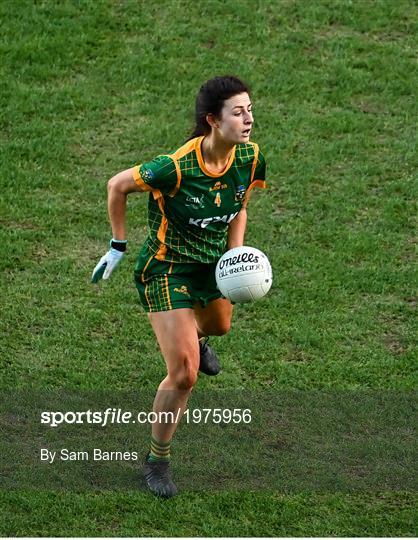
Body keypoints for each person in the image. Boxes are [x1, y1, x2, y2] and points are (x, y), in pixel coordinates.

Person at [92, 75, 266, 498]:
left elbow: (239, 205)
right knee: (185, 374)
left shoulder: (250, 157)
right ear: (212, 120)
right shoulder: (174, 167)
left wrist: (234, 256)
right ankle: (157, 461)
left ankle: (198, 338)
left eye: (250, 110)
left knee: (220, 326)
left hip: (212, 268)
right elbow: (118, 185)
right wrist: (118, 244)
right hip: (166, 270)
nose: (248, 120)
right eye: (238, 112)